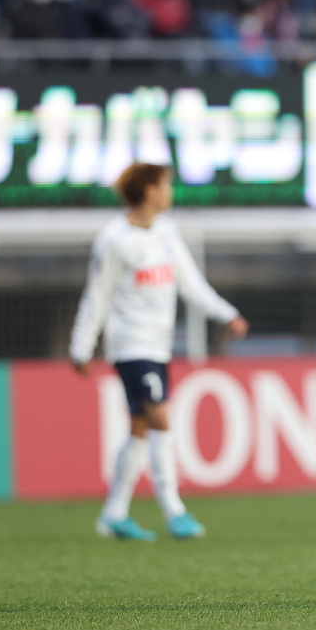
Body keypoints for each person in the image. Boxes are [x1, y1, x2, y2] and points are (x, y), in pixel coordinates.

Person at [69, 162, 249, 541]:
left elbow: (191, 284)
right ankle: (174, 511)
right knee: (160, 419)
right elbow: (96, 296)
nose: (171, 192)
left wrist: (226, 313)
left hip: (159, 346)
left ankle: (113, 514)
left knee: (139, 427)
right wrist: (81, 347)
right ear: (149, 191)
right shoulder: (114, 240)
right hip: (131, 346)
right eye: (166, 185)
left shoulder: (166, 232)